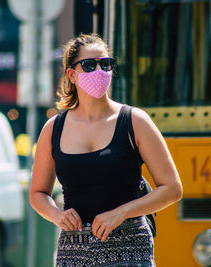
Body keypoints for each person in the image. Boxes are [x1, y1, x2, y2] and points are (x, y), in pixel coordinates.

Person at [30, 33, 183, 266]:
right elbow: (38, 193)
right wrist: (56, 215)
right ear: (72, 74)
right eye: (89, 65)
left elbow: (172, 189)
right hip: (74, 250)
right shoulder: (53, 129)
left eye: (106, 64)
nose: (99, 71)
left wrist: (121, 212)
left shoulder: (134, 121)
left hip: (130, 247)